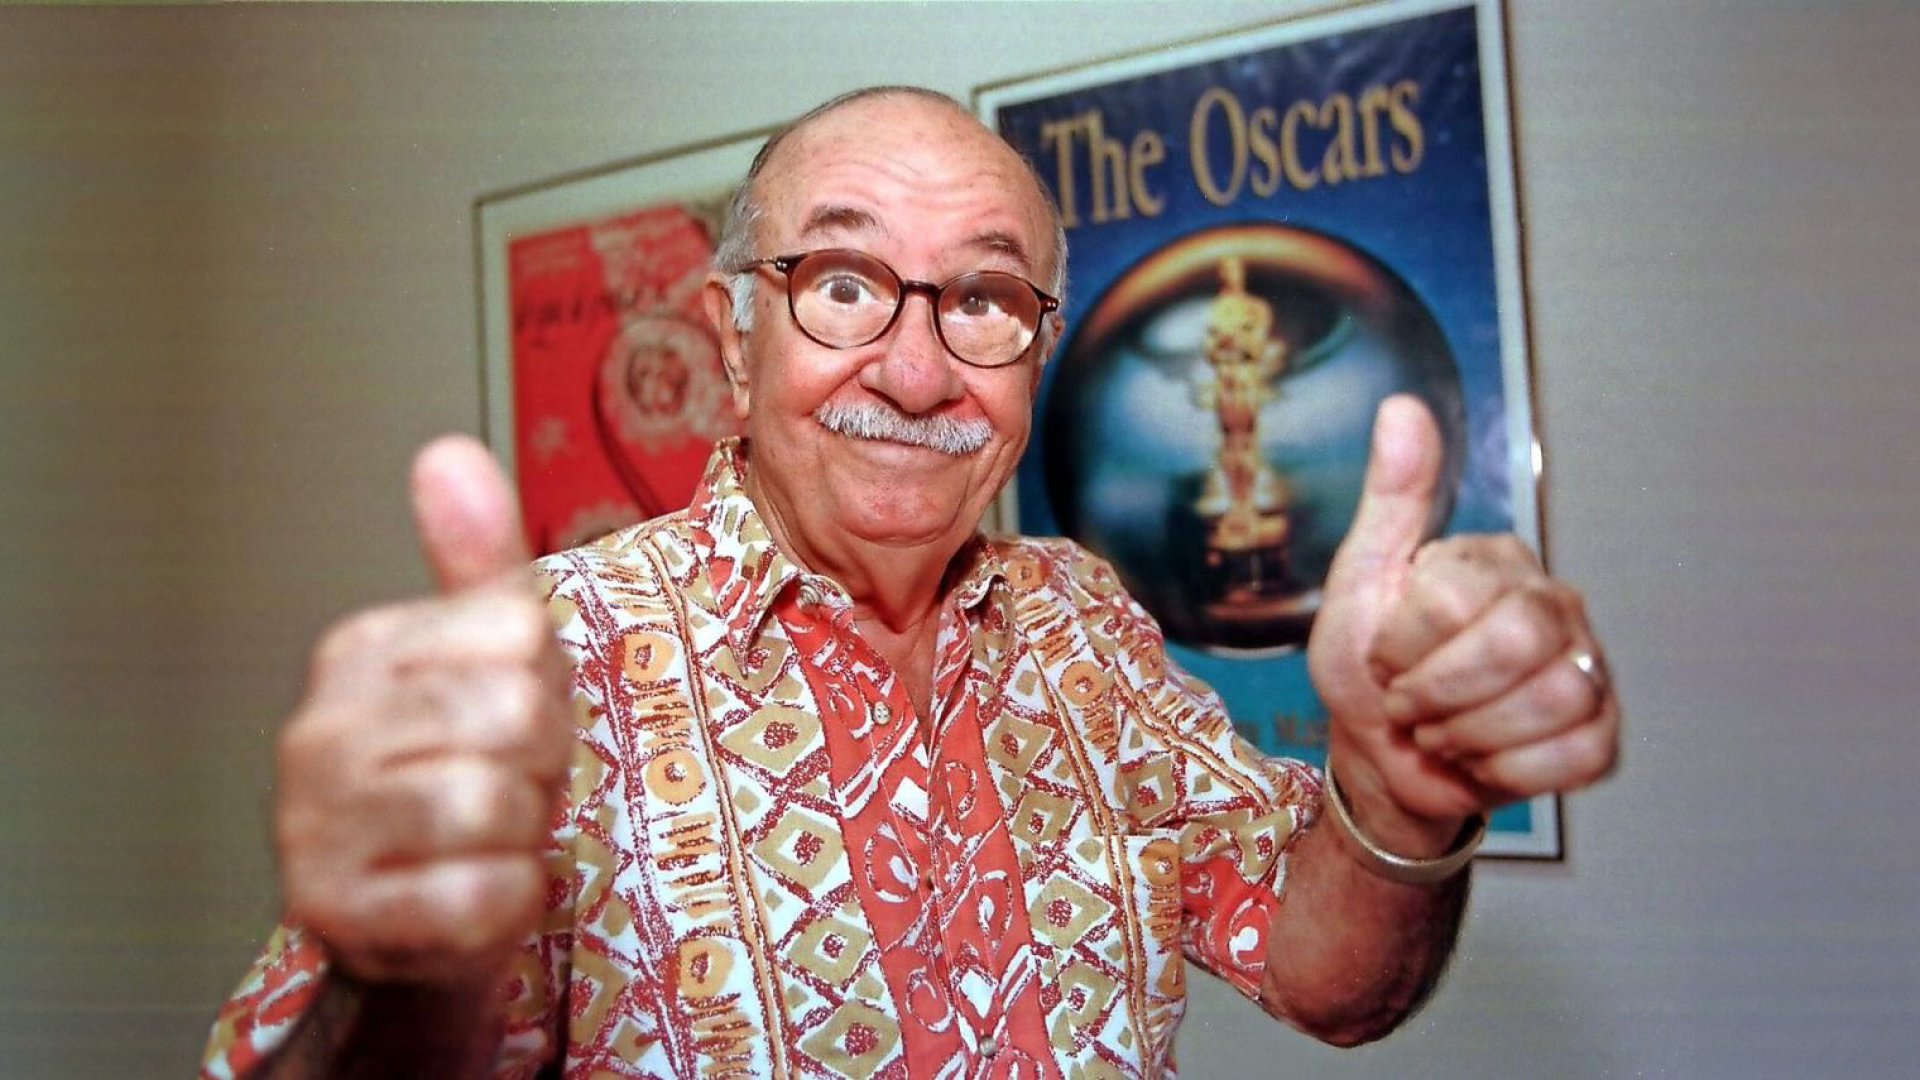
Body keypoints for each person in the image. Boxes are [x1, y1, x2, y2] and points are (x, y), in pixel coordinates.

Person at [200, 86, 1618, 1079]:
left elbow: (1328, 977)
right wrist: (400, 992)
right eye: (842, 285)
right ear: (734, 341)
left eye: (985, 299)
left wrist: (1407, 789)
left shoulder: (1085, 626)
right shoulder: (551, 668)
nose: (921, 370)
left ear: (1035, 360)